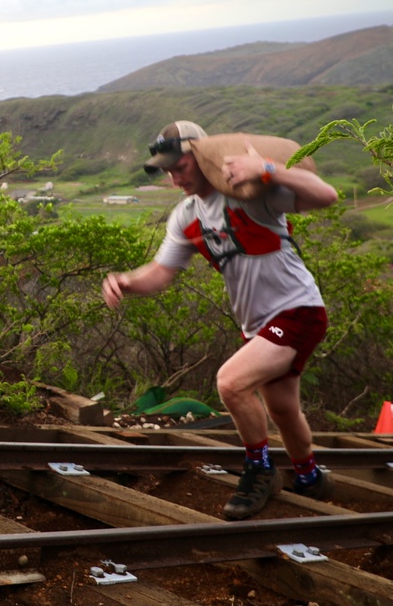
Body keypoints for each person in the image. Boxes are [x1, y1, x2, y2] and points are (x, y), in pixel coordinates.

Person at [101, 121, 340, 520]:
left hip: (298, 309)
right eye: (167, 170)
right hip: (258, 326)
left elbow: (326, 195)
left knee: (231, 382)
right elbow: (161, 272)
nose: (174, 177)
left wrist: (266, 169)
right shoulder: (186, 216)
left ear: (202, 155)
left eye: (180, 166)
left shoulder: (251, 195)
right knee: (282, 409)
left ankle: (261, 470)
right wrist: (126, 282)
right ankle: (310, 476)